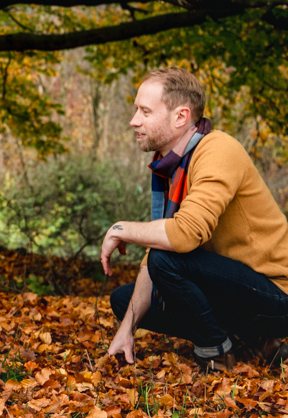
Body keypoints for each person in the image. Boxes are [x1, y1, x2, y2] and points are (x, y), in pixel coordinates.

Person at [101, 67, 288, 371]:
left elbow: (183, 236)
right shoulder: (172, 168)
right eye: (136, 110)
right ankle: (250, 338)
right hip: (236, 289)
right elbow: (160, 246)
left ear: (180, 116)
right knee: (125, 302)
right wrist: (127, 330)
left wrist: (120, 229)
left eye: (145, 111)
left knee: (166, 257)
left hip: (277, 295)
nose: (134, 120)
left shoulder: (217, 150)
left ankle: (216, 351)